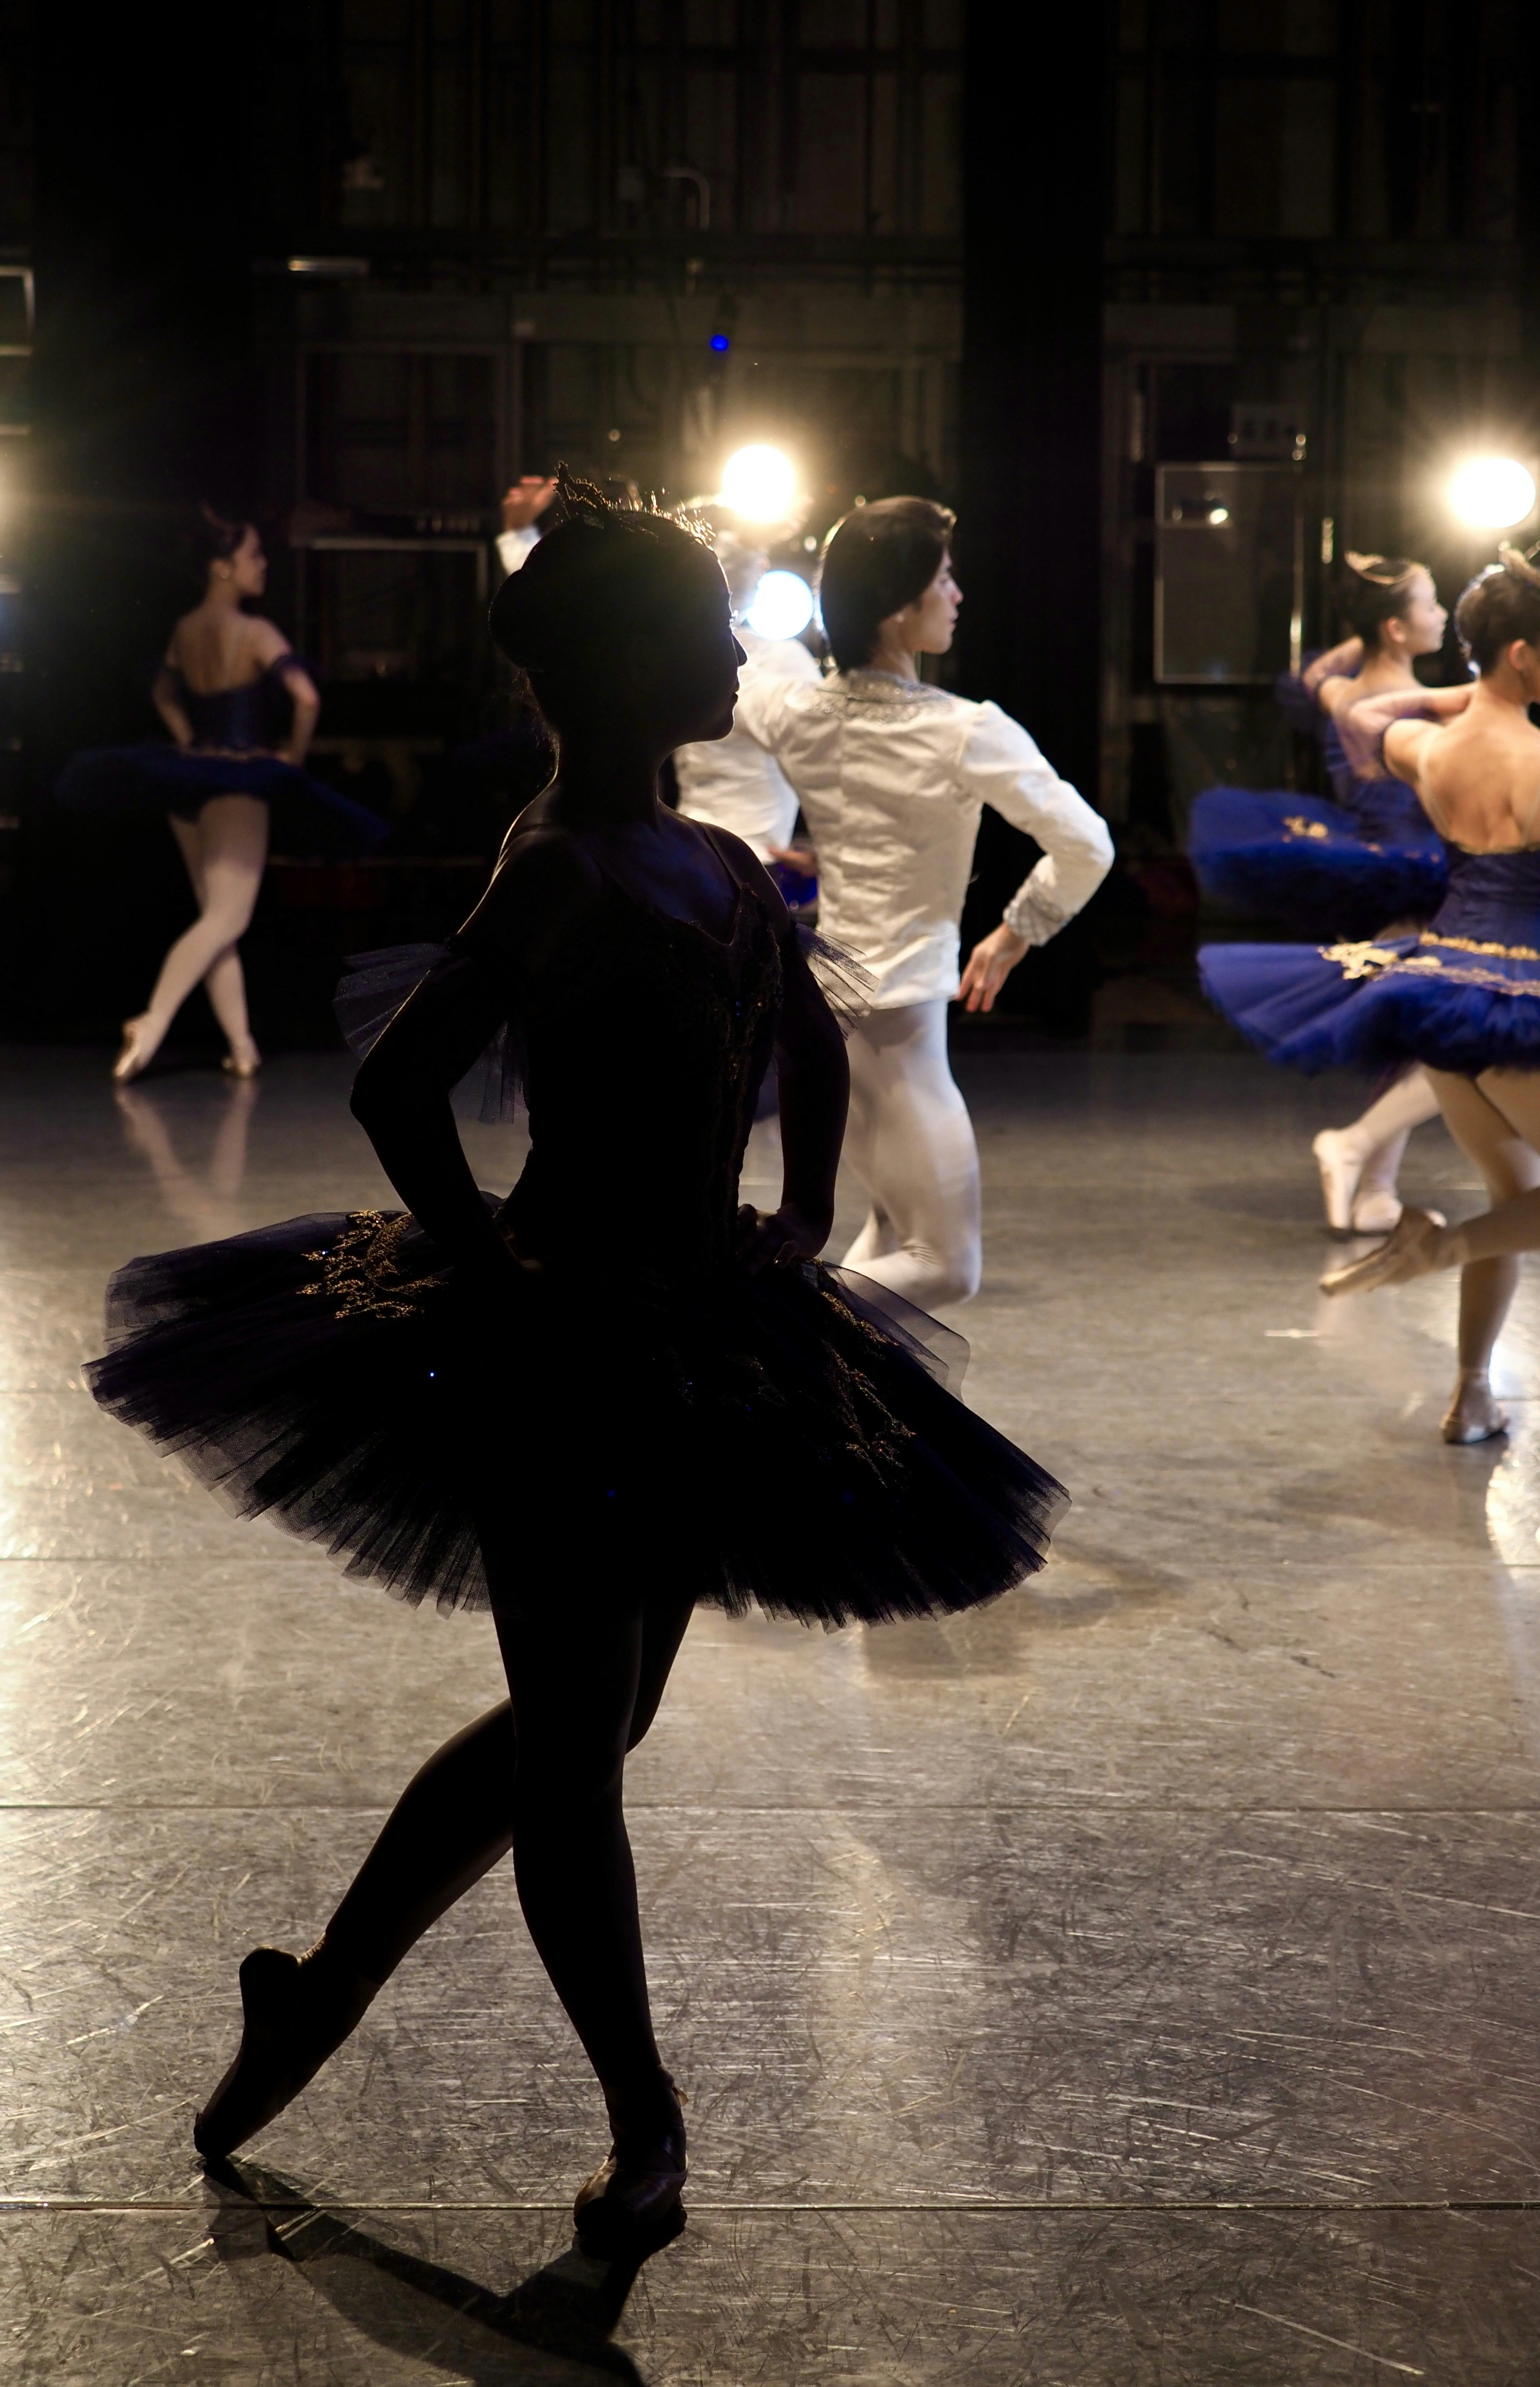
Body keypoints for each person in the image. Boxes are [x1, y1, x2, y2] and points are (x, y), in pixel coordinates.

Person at [84, 472, 1067, 2253]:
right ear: (630, 675)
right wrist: (490, 1264)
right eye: (703, 633)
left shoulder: (703, 854)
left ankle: (317, 1992)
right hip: (569, 1336)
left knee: (591, 1719)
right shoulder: (562, 864)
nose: (730, 651)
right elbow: (401, 1080)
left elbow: (818, 1032)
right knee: (576, 1748)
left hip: (690, 1328)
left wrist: (802, 1214)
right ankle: (647, 2119)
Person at [1201, 548, 1540, 1444]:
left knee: (1512, 1202)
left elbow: (1364, 712)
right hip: (1522, 1007)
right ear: (1524, 653)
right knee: (1533, 1205)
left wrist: (1467, 697)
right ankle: (1436, 1247)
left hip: (1431, 992)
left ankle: (1471, 1397)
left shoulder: (1427, 745)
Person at [737, 498, 1115, 1313]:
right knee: (945, 1265)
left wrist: (745, 559)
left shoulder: (793, 708)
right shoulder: (963, 731)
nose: (958, 595)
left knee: (888, 1235)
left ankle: (833, 1423)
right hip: (901, 1029)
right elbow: (1089, 844)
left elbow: (742, 659)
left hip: (827, 1012)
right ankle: (766, 1344)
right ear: (902, 609)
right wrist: (1017, 934)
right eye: (944, 579)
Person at [55, 508, 387, 1082]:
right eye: (254, 555)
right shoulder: (255, 632)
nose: (263, 565)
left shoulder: (186, 630)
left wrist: (190, 741)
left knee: (217, 919)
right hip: (239, 780)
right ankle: (153, 1021)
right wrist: (291, 762)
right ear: (223, 568)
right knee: (226, 920)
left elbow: (164, 692)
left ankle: (241, 1047)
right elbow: (305, 698)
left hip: (188, 781)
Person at [1194, 555, 1454, 1235]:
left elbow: (1314, 673)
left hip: (1388, 869)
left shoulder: (1344, 691)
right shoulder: (1400, 709)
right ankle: (1359, 1151)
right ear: (1398, 630)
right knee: (1459, 1033)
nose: (1444, 614)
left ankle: (1376, 1185)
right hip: (1413, 871)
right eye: (1431, 603)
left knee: (1421, 1034)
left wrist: (1366, 604)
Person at [673, 524, 820, 866]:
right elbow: (831, 752)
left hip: (690, 844)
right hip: (747, 857)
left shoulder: (681, 656)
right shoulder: (783, 659)